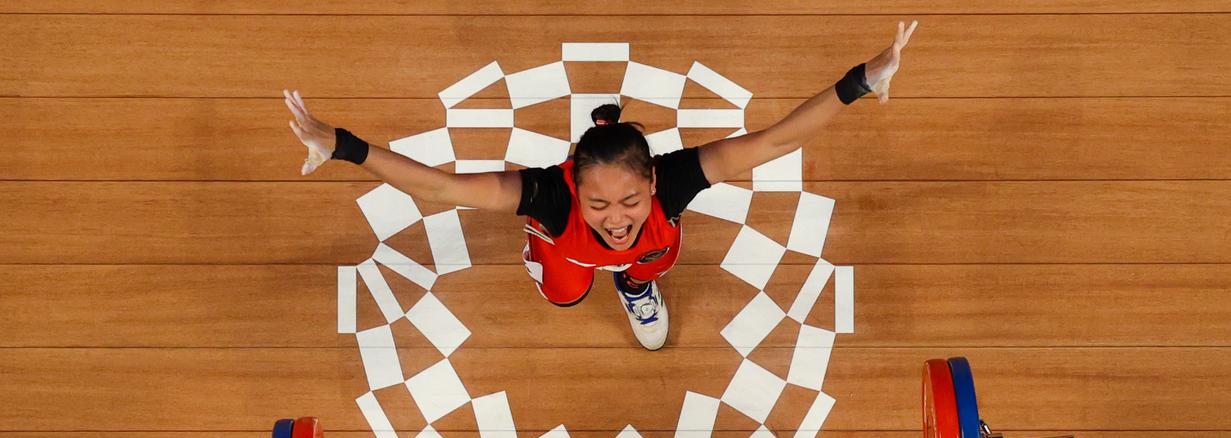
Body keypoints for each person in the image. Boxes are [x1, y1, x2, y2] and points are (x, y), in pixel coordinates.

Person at [285, 21, 918, 351]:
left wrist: (863, 79)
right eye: (600, 203)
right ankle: (567, 236)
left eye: (630, 200)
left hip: (650, 249)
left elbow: (775, 141)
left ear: (652, 180)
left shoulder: (674, 182)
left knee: (647, 261)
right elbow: (441, 189)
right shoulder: (549, 197)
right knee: (564, 295)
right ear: (574, 185)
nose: (616, 217)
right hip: (564, 250)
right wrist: (342, 145)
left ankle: (635, 286)